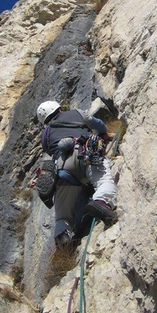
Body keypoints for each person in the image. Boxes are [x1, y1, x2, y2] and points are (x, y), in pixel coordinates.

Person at [35, 101, 118, 248]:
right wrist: (103, 133)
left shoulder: (45, 135)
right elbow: (97, 123)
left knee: (62, 215)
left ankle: (63, 237)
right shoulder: (76, 113)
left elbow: (51, 150)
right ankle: (101, 203)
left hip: (62, 167)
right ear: (58, 107)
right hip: (86, 153)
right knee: (104, 181)